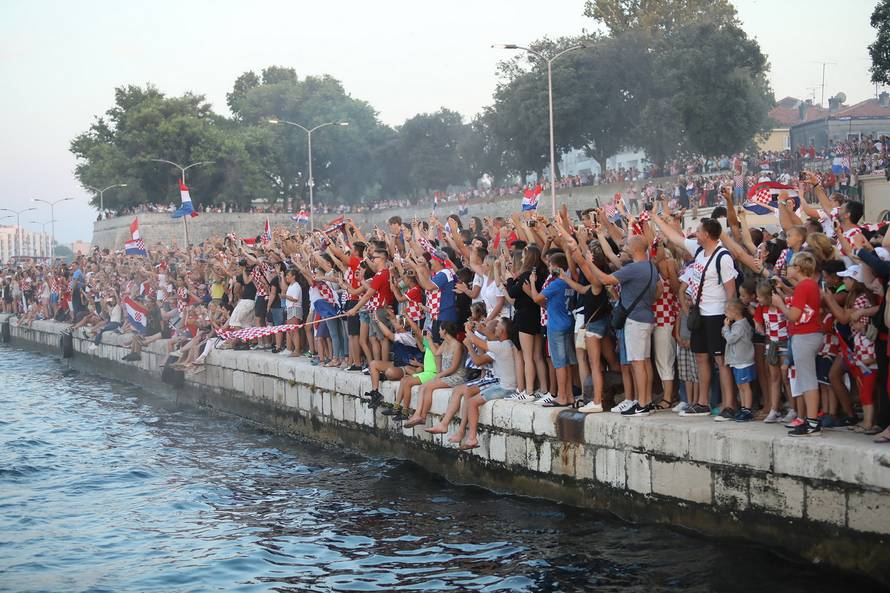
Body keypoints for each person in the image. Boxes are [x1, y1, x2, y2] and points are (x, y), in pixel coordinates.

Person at [654, 213, 738, 419]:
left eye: (698, 231)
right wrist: (655, 218)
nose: (695, 234)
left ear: (707, 234)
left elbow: (731, 291)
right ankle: (702, 403)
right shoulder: (699, 250)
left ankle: (729, 405)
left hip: (717, 314)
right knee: (700, 357)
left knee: (720, 360)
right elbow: (675, 239)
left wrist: (730, 318)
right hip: (700, 313)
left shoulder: (723, 257)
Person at [584, 235, 659, 416]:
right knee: (645, 361)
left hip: (635, 320)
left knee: (638, 362)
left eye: (626, 245)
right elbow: (659, 290)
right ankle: (646, 400)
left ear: (634, 249)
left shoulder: (634, 268)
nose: (624, 247)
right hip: (647, 317)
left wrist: (590, 264)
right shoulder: (651, 267)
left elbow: (605, 280)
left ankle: (641, 403)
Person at [771, 252, 823, 436]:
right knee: (806, 378)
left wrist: (779, 304)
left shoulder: (804, 286)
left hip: (805, 335)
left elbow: (793, 315)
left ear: (799, 268)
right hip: (810, 335)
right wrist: (784, 290)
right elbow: (801, 300)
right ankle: (811, 420)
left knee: (807, 379)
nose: (789, 268)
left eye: (792, 265)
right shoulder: (809, 285)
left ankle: (812, 422)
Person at [721, 299, 756, 422]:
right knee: (740, 386)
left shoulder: (740, 326)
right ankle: (743, 408)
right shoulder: (737, 325)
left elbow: (731, 339)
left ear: (734, 312)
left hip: (743, 360)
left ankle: (748, 410)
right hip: (738, 360)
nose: (725, 313)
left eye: (727, 311)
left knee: (745, 386)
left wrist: (725, 328)